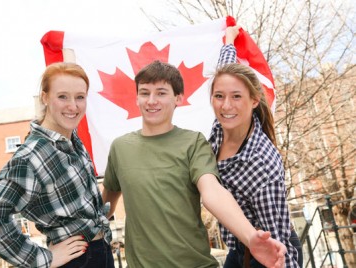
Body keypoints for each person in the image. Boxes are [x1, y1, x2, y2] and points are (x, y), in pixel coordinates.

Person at [102, 60, 286, 268]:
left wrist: (251, 237)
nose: (151, 100)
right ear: (137, 98)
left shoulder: (194, 142)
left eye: (161, 93)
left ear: (178, 98)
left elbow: (213, 192)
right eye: (145, 93)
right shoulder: (120, 148)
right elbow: (104, 209)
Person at [0, 62, 114, 268]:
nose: (73, 106)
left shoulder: (71, 140)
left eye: (80, 97)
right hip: (76, 261)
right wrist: (42, 258)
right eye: (62, 96)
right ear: (45, 98)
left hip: (99, 252)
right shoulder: (32, 156)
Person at [209, 25, 302, 267]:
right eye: (218, 96)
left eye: (236, 96)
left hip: (264, 251)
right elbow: (226, 68)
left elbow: (280, 248)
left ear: (254, 100)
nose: (226, 105)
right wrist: (230, 39)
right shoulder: (222, 126)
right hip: (239, 247)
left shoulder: (262, 164)